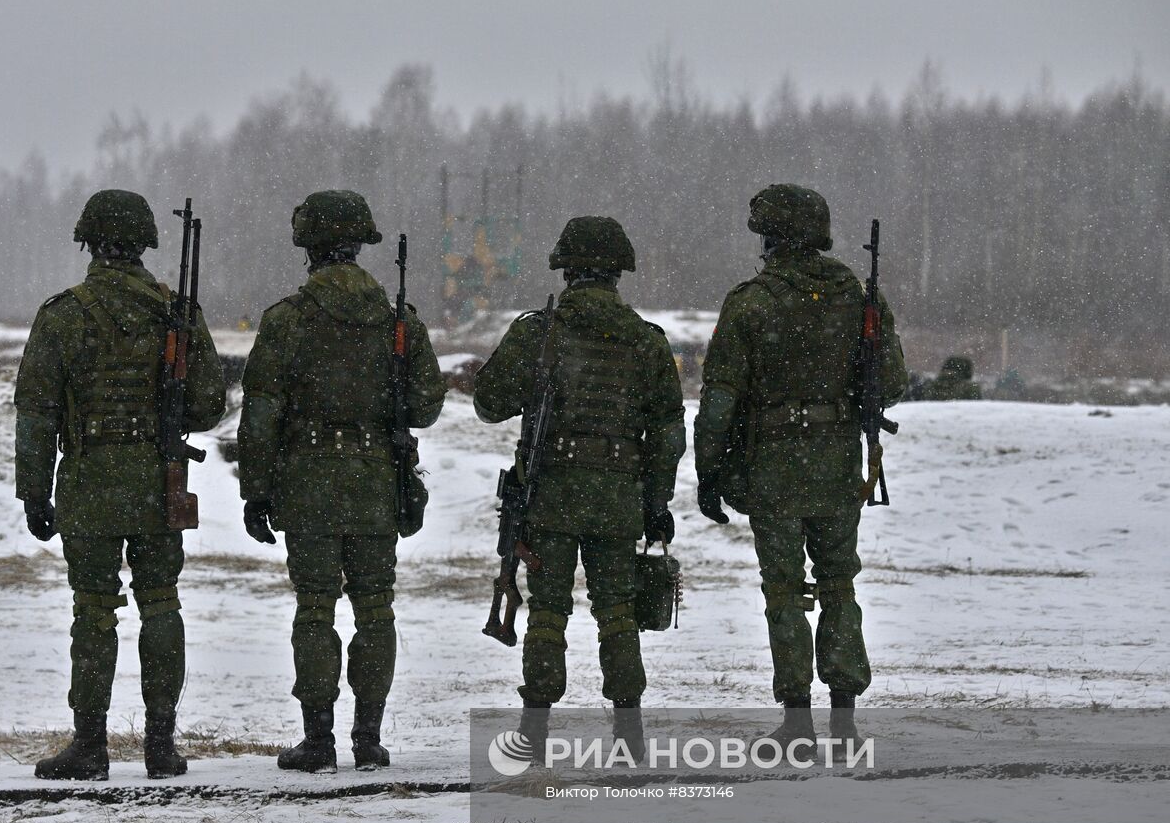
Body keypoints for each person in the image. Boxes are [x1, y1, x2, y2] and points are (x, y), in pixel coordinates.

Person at [15, 189, 226, 780]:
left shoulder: (64, 314)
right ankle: (161, 745)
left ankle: (90, 746)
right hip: (160, 479)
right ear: (144, 241)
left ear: (88, 240)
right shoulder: (175, 313)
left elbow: (36, 411)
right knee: (161, 604)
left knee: (94, 611)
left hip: (88, 480)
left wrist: (33, 490)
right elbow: (209, 405)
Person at [237, 190, 446, 773]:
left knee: (314, 609)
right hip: (377, 484)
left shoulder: (288, 320)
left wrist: (255, 490)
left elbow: (260, 416)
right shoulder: (396, 320)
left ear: (309, 245)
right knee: (376, 608)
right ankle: (369, 738)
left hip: (308, 485)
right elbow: (428, 405)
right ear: (360, 244)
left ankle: (319, 739)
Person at [693, 184, 906, 755]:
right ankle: (844, 717)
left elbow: (719, 401)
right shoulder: (859, 299)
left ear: (770, 238)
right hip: (838, 466)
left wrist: (708, 473)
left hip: (774, 470)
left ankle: (796, 719)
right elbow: (892, 383)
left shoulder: (751, 303)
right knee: (839, 583)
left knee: (783, 591)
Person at [473, 216, 685, 759]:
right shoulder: (644, 340)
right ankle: (630, 734)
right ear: (618, 270)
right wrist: (655, 499)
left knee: (547, 611)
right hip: (618, 498)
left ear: (565, 268)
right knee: (618, 611)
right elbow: (666, 428)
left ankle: (536, 731)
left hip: (551, 494)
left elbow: (489, 403)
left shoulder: (537, 333)